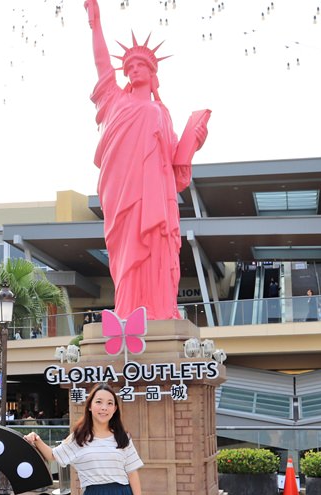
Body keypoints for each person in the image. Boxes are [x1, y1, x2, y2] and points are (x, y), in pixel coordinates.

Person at [84, 0, 209, 322]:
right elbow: (100, 63)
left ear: (152, 73)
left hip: (154, 193)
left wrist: (193, 141)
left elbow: (175, 168)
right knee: (125, 253)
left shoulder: (161, 112)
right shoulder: (114, 99)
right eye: (130, 67)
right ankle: (127, 311)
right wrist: (95, 24)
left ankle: (159, 310)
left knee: (156, 246)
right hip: (121, 191)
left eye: (141, 66)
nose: (134, 69)